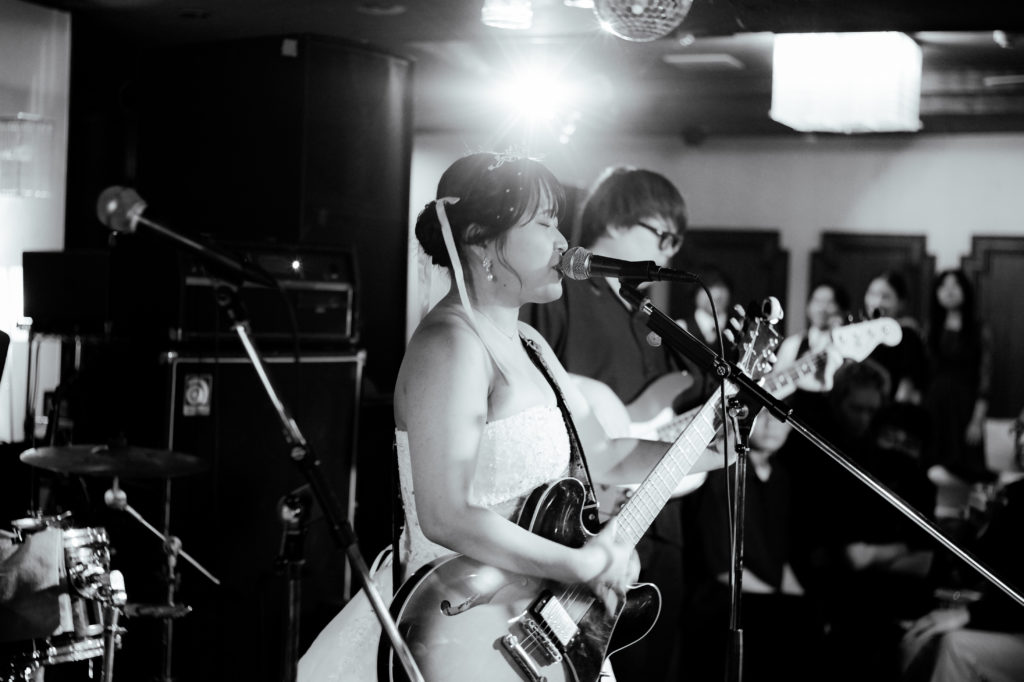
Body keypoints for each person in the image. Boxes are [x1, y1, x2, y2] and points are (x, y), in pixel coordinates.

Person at [298, 152, 728, 681]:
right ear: (480, 239)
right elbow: (445, 514)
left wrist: (718, 448)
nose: (563, 242)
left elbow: (606, 455)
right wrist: (579, 563)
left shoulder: (530, 343)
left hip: (530, 618)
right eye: (545, 223)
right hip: (457, 627)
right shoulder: (451, 344)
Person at [521, 166, 707, 682]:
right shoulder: (561, 294)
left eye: (677, 242)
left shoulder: (650, 318)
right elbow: (531, 398)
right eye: (663, 235)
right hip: (582, 523)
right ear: (617, 220)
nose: (670, 252)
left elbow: (674, 417)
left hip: (659, 526)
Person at [682, 412, 827, 682]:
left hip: (766, 600)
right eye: (763, 414)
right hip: (724, 601)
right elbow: (721, 567)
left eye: (779, 415)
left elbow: (778, 558)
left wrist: (802, 603)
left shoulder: (782, 478)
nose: (772, 423)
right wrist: (783, 604)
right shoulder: (722, 473)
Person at [900, 476, 1024, 682]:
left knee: (956, 646)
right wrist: (979, 526)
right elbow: (970, 574)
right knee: (917, 641)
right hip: (1003, 617)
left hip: (1011, 622)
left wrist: (968, 615)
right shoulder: (1012, 493)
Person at [923, 269, 995, 485]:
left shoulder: (978, 328)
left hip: (964, 405)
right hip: (934, 403)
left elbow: (985, 376)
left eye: (955, 285)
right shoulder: (930, 327)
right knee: (928, 466)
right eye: (943, 286)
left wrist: (977, 419)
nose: (949, 291)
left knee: (966, 467)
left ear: (965, 291)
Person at [863, 271, 929, 405]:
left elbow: (908, 385)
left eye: (886, 297)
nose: (877, 302)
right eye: (872, 294)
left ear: (901, 302)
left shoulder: (906, 334)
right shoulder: (860, 332)